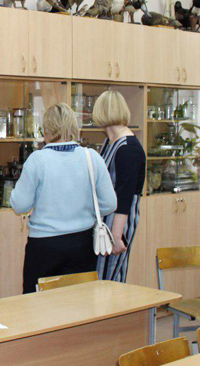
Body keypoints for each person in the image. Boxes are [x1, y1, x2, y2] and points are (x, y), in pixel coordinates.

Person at [11, 103, 117, 294]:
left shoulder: (37, 160)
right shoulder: (91, 157)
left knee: (37, 305)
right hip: (82, 244)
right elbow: (110, 203)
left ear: (46, 130)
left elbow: (20, 205)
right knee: (79, 301)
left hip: (44, 246)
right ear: (74, 127)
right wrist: (86, 209)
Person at [92, 91, 146, 283]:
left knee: (111, 279)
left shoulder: (128, 148)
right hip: (104, 223)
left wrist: (116, 236)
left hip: (117, 224)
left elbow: (125, 196)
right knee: (99, 279)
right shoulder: (110, 142)